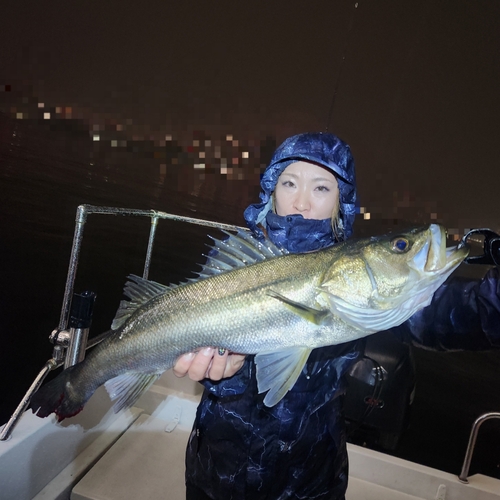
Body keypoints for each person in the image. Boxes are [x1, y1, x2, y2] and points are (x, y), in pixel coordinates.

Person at [173, 132, 500, 499]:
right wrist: (222, 379)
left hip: (310, 479)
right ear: (271, 190)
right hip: (220, 474)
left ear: (341, 202)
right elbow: (200, 343)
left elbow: (468, 316)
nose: (300, 202)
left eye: (321, 188)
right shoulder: (236, 260)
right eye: (289, 183)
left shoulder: (371, 289)